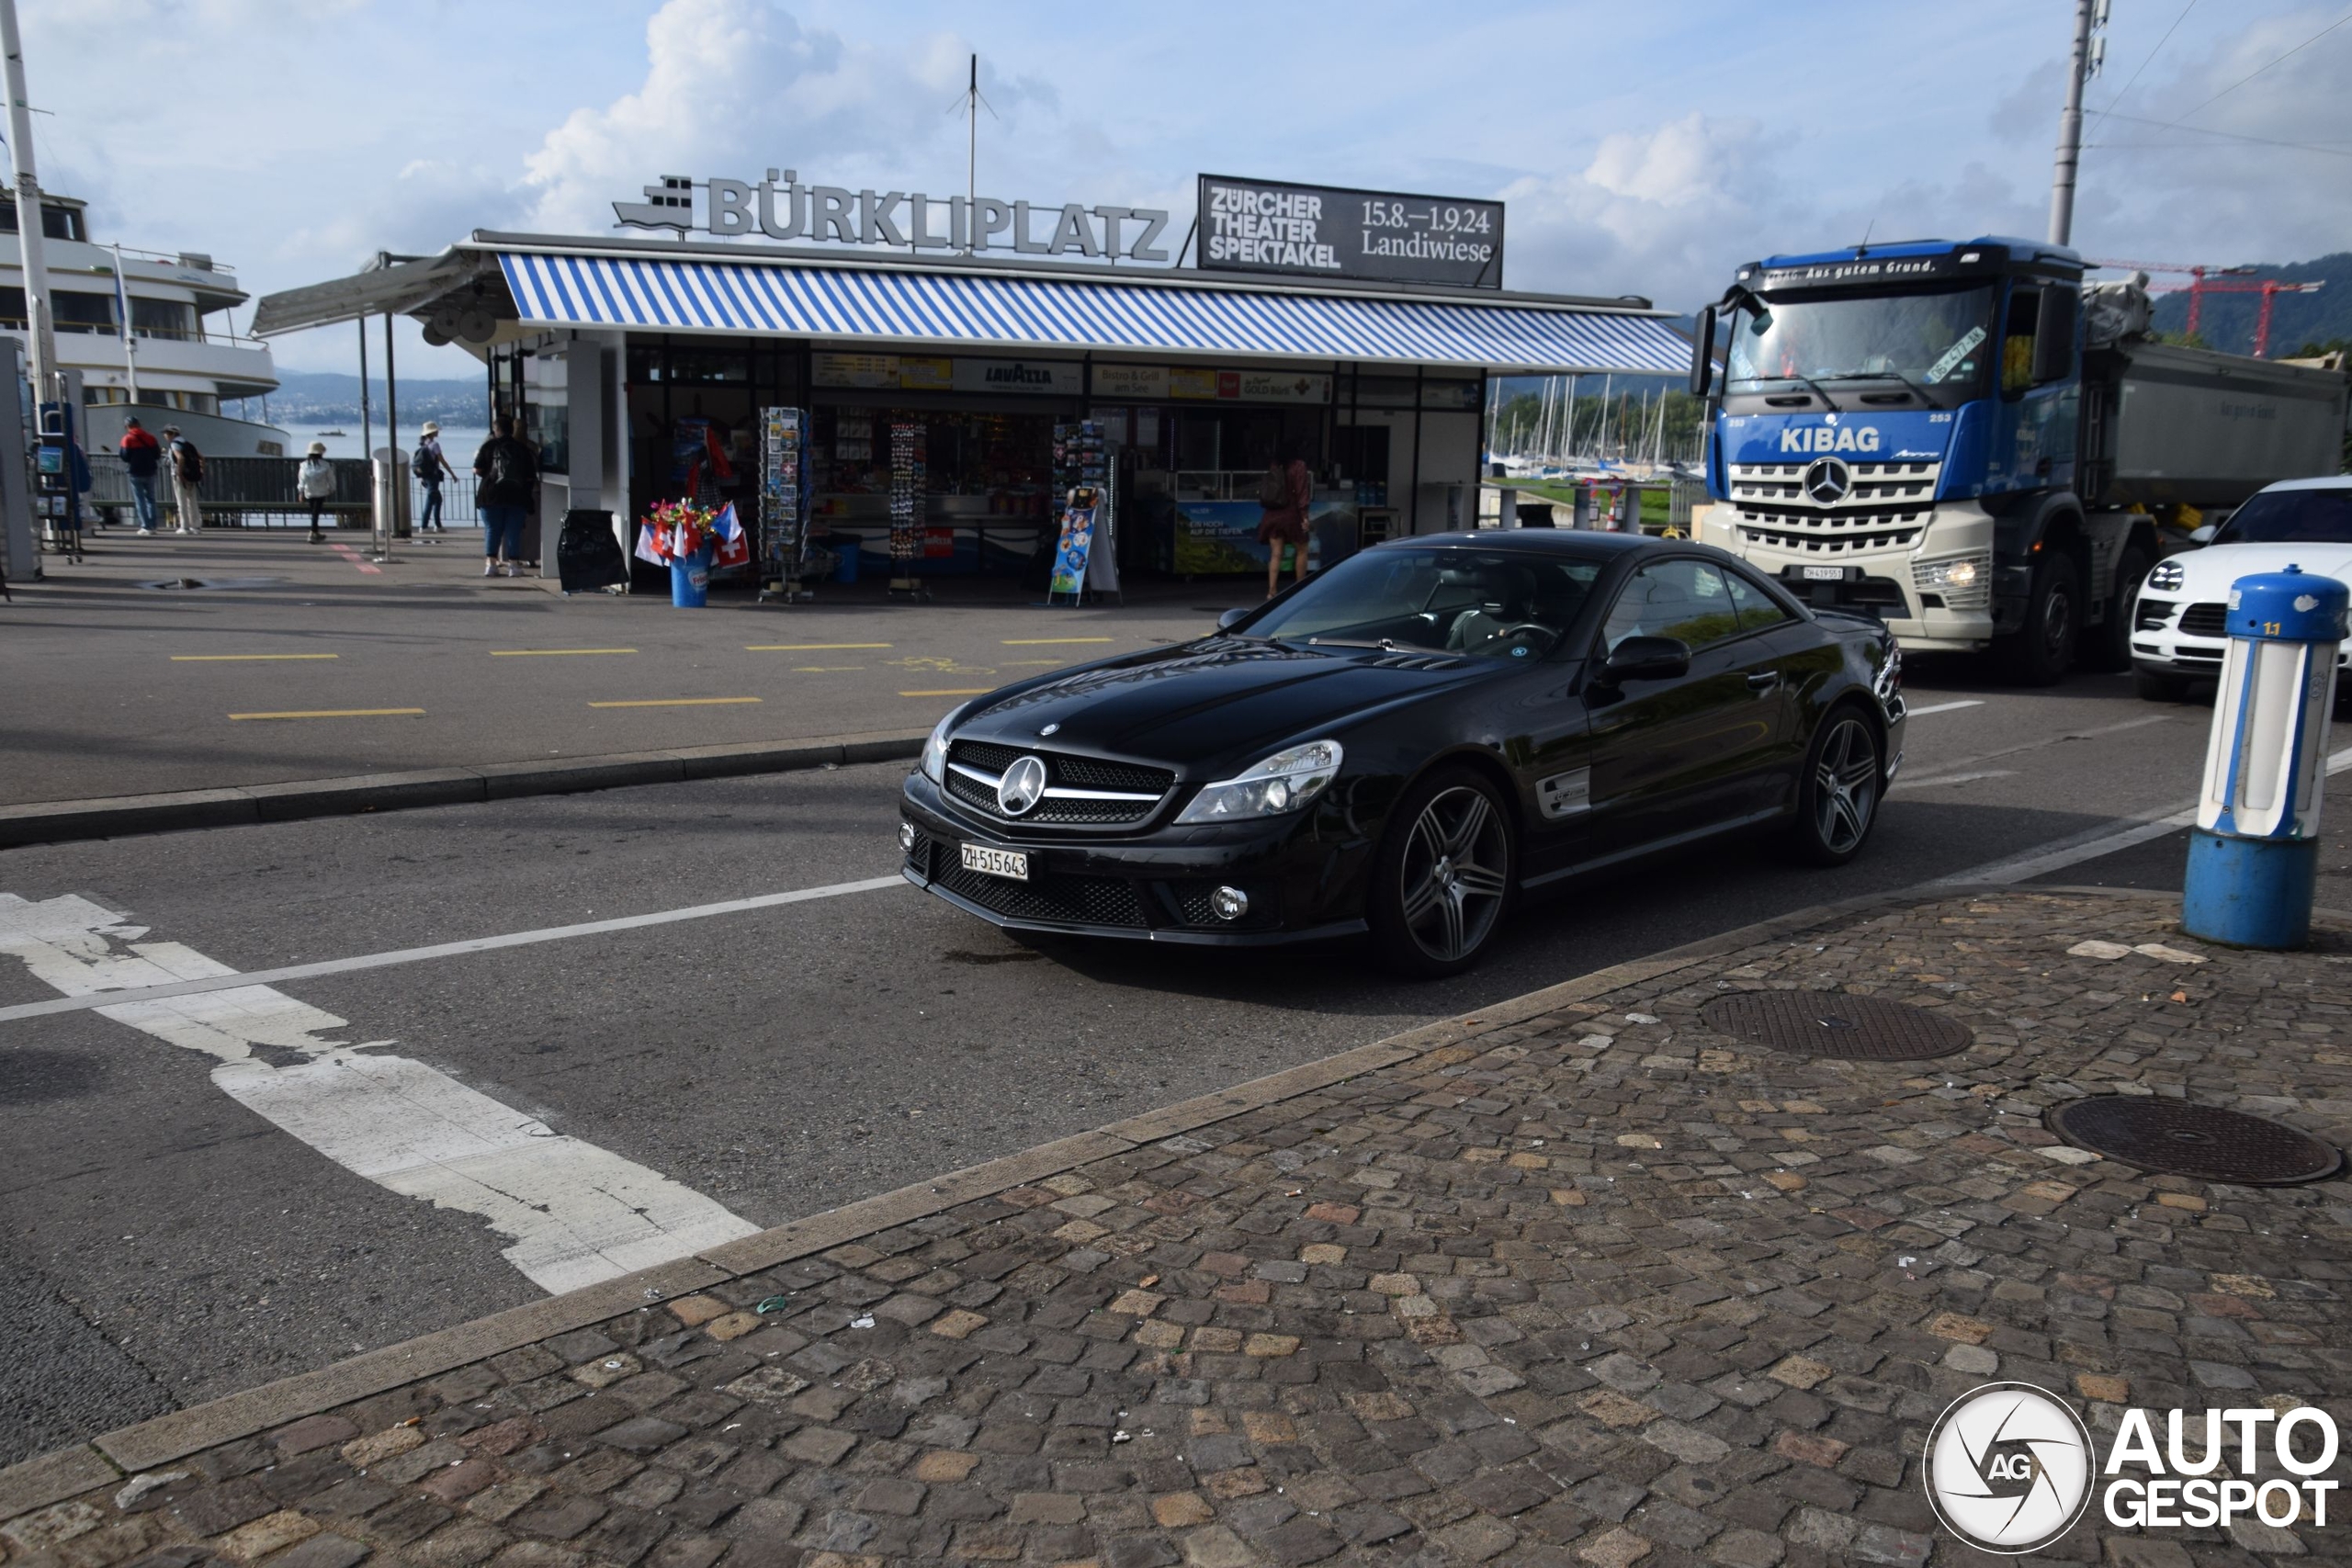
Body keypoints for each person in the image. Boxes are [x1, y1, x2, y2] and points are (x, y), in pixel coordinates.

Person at [473, 415, 536, 578]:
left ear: (496, 429)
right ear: (512, 429)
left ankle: (491, 566)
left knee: (492, 529)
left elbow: (478, 469)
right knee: (513, 530)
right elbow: (530, 475)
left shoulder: (489, 446)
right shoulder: (522, 448)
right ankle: (514, 566)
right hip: (517, 495)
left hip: (491, 495)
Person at [1254, 446, 1313, 599]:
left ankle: (1271, 591)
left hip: (1272, 514)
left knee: (1276, 554)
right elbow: (1302, 492)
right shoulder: (1299, 466)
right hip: (1291, 513)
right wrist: (1304, 516)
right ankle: (1300, 587)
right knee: (1301, 549)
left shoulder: (1275, 465)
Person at [118, 415, 162, 536]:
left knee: (140, 500)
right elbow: (157, 455)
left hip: (135, 472)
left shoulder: (127, 439)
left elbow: (124, 456)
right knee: (151, 499)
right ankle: (153, 526)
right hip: (150, 471)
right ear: (139, 425)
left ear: (127, 426)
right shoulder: (151, 438)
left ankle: (145, 526)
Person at [163, 424, 204, 536]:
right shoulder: (188, 444)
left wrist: (180, 473)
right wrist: (201, 470)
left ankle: (184, 526)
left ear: (172, 434)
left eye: (166, 433)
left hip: (179, 476)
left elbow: (180, 458)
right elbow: (202, 457)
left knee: (181, 501)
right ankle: (196, 526)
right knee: (192, 500)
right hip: (192, 475)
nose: (165, 435)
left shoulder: (175, 444)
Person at [413, 420, 452, 536]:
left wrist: (421, 477)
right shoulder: (435, 445)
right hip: (433, 476)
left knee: (437, 499)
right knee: (430, 500)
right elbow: (442, 460)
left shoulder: (424, 445)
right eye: (436, 431)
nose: (437, 432)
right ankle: (424, 526)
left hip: (425, 477)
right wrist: (452, 474)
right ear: (432, 432)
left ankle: (438, 525)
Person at [296, 440, 334, 544]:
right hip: (321, 491)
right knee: (316, 513)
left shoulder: (304, 465)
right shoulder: (326, 465)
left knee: (314, 512)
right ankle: (313, 533)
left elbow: (302, 480)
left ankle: (315, 532)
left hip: (309, 492)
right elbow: (331, 479)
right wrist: (332, 488)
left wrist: (301, 492)